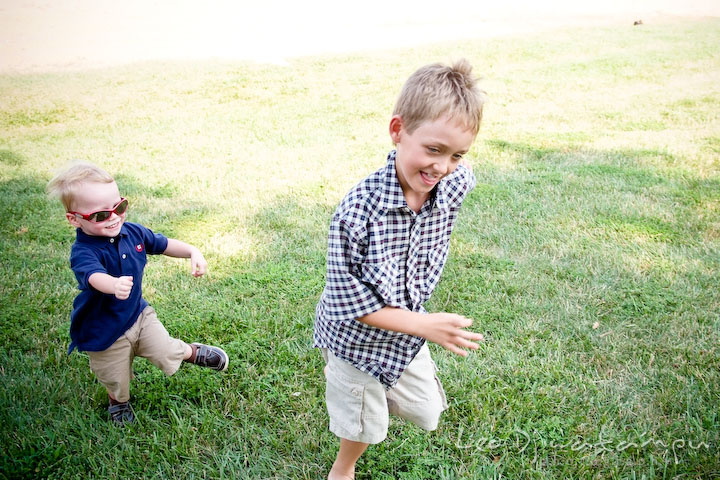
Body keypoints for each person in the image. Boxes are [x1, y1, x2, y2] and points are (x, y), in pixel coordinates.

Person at [313, 59, 487, 479]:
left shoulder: (455, 183)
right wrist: (425, 325)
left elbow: (457, 177)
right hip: (355, 340)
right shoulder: (356, 213)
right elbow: (348, 303)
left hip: (404, 338)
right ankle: (343, 466)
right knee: (364, 424)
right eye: (433, 149)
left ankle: (370, 394)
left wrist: (417, 326)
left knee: (427, 412)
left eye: (456, 155)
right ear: (397, 131)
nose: (442, 167)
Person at [47, 161, 229, 425]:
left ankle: (192, 352)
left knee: (164, 349)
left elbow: (163, 244)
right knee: (115, 376)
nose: (114, 218)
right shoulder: (84, 251)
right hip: (102, 331)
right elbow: (92, 275)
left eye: (119, 207)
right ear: (74, 219)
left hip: (137, 315)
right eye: (100, 215)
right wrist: (112, 284)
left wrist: (192, 251)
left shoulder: (132, 232)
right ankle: (118, 403)